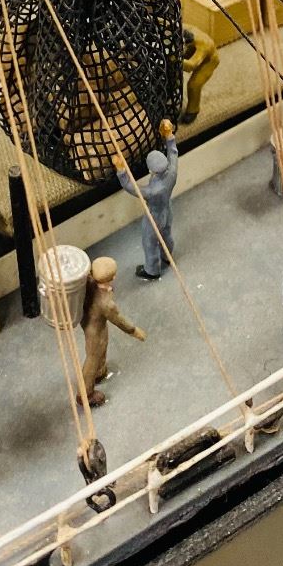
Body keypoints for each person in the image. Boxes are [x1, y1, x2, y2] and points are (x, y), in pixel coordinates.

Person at [115, 120, 178, 280]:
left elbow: (131, 187)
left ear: (151, 170)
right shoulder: (172, 173)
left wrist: (122, 171)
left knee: (149, 242)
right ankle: (167, 256)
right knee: (166, 234)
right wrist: (169, 135)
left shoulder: (152, 191)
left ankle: (152, 270)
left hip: (154, 217)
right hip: (167, 209)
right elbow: (173, 154)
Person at [79, 257, 147, 406]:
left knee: (101, 349)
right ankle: (85, 394)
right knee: (92, 358)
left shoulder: (89, 282)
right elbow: (119, 319)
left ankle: (99, 372)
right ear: (113, 277)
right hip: (95, 329)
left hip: (91, 321)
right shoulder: (106, 304)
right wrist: (134, 331)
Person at [180, 27, 219, 125]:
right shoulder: (180, 28)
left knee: (194, 85)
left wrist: (175, 59)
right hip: (189, 52)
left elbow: (191, 65)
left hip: (209, 61)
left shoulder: (202, 45)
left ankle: (193, 110)